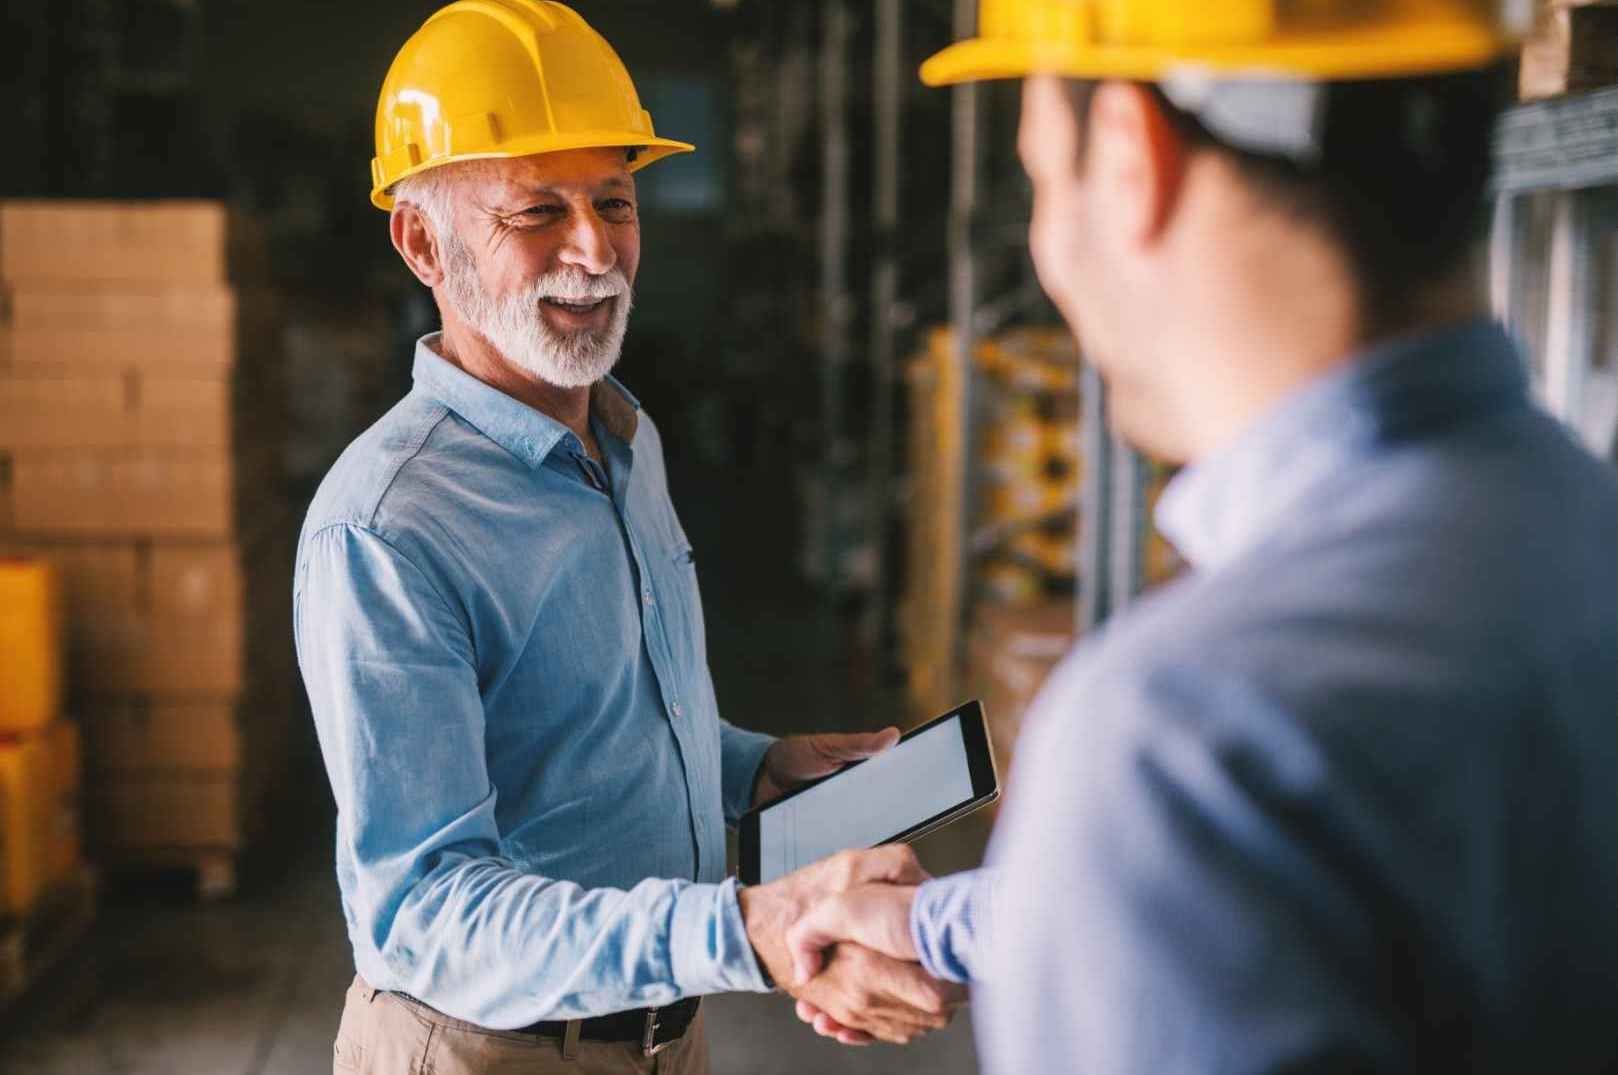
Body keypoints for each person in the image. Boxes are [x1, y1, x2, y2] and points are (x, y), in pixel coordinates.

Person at [775, 1, 1618, 1070]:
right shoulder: (1576, 529)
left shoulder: (1179, 736)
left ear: (1129, 156)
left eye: (1038, 176)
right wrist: (946, 923)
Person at [295, 3, 957, 1072]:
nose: (595, 250)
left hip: (665, 1032)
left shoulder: (622, 436)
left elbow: (587, 728)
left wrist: (753, 769)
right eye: (536, 214)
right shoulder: (387, 529)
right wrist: (744, 928)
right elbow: (422, 909)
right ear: (423, 241)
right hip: (487, 1052)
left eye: (615, 200)